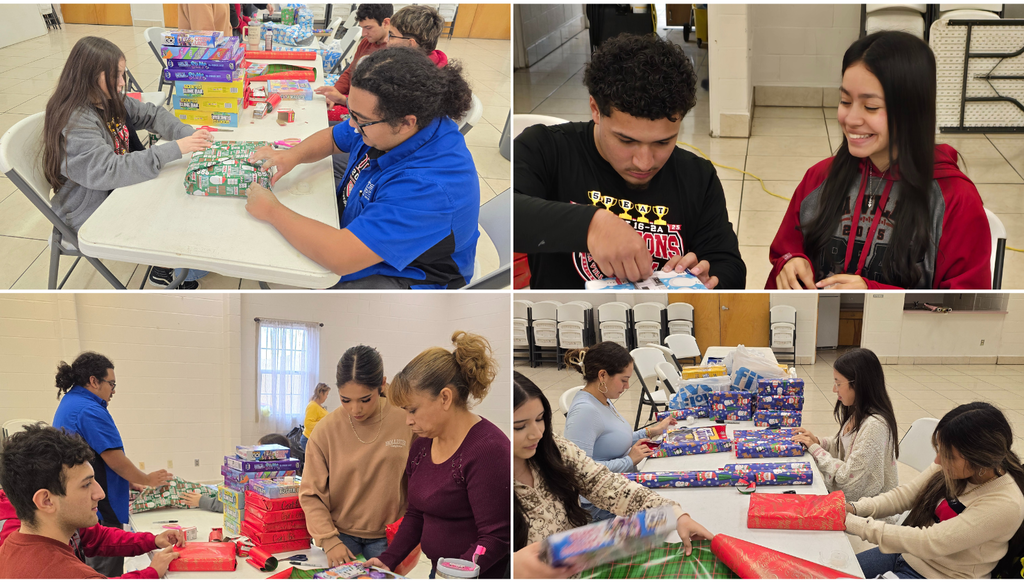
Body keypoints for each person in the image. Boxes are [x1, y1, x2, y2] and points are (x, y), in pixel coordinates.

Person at [514, 33, 746, 290]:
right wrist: (591, 225)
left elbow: (729, 266)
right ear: (595, 109)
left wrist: (707, 278)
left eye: (663, 142)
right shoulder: (546, 148)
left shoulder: (697, 176)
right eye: (626, 141)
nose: (644, 163)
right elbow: (511, 216)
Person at [767, 31, 990, 290]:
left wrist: (874, 296)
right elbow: (786, 247)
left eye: (870, 107)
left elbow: (964, 312)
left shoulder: (956, 199)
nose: (850, 119)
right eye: (845, 100)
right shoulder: (820, 177)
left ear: (911, 110)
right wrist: (790, 261)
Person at [245, 48, 480, 289]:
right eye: (352, 113)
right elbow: (334, 138)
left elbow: (341, 256)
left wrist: (272, 211)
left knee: (288, 274)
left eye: (361, 120)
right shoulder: (390, 120)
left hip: (412, 274)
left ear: (405, 123)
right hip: (366, 222)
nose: (353, 126)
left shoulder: (430, 187)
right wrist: (292, 155)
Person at [43, 37, 213, 290]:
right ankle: (168, 267)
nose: (123, 83)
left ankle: (167, 263)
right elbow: (107, 171)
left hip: (116, 190)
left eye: (122, 74)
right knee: (193, 237)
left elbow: (153, 113)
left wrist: (186, 133)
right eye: (116, 76)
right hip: (89, 210)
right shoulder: (76, 119)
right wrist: (176, 148)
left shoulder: (109, 100)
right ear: (89, 76)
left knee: (187, 197)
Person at [512, 373, 714, 579]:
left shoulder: (552, 447)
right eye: (519, 426)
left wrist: (673, 514)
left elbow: (605, 484)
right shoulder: (492, 478)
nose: (537, 433)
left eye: (540, 419)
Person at [364, 332, 510, 578]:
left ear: (445, 397)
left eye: (413, 410)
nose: (408, 421)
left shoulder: (489, 449)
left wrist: (453, 574)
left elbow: (496, 536)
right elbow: (416, 514)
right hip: (441, 572)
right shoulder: (422, 446)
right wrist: (387, 560)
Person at [846, 402, 1024, 578]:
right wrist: (854, 508)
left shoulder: (1005, 504)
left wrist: (850, 522)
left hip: (939, 575)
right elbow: (904, 497)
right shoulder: (955, 466)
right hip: (908, 554)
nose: (937, 461)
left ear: (980, 461)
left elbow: (929, 541)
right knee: (834, 572)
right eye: (939, 450)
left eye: (948, 456)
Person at [0, 424, 183, 578]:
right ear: (46, 500)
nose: (100, 494)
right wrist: (151, 572)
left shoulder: (46, 531)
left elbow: (98, 538)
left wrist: (153, 540)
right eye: (86, 485)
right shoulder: (63, 573)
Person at [51, 352, 173, 577]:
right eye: (112, 384)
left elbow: (94, 460)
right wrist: (145, 479)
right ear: (94, 381)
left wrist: (126, 483)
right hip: (100, 508)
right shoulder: (89, 409)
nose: (113, 390)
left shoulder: (71, 402)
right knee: (106, 563)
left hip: (84, 500)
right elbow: (114, 460)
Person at [299, 346, 413, 566]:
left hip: (390, 538)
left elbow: (420, 480)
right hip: (340, 537)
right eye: (345, 400)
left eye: (365, 399)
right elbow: (311, 493)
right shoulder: (325, 430)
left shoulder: (405, 420)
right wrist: (329, 540)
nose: (355, 409)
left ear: (382, 384)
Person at [561, 343, 677, 521]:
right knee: (673, 513)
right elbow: (580, 472)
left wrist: (652, 431)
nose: (628, 386)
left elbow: (615, 438)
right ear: (602, 375)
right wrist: (629, 460)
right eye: (624, 380)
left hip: (620, 486)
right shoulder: (585, 411)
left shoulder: (602, 398)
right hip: (600, 504)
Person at [791, 348, 899, 510]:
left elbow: (849, 482)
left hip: (868, 513)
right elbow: (842, 444)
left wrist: (815, 450)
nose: (835, 389)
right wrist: (818, 442)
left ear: (858, 385)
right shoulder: (858, 411)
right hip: (854, 506)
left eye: (838, 383)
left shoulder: (875, 426)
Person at [314, 4, 393, 109]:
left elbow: (377, 107)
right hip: (349, 100)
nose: (364, 33)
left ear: (386, 23)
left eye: (368, 28)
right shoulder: (367, 42)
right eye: (362, 28)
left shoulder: (393, 52)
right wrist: (334, 93)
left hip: (362, 109)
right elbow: (350, 71)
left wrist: (342, 99)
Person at [302, 382, 331, 448]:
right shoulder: (313, 406)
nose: (326, 397)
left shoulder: (318, 406)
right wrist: (324, 423)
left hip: (315, 439)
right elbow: (308, 424)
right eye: (326, 394)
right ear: (321, 393)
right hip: (309, 439)